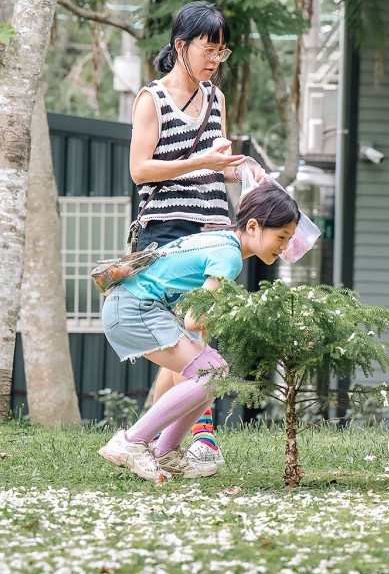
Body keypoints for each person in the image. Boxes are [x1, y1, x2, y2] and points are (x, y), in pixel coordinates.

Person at [98, 182, 299, 481]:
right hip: (133, 308)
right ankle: (132, 441)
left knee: (213, 371)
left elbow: (191, 315)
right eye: (281, 237)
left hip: (130, 305)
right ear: (253, 227)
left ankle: (165, 452)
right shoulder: (229, 256)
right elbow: (194, 319)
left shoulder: (220, 240)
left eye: (289, 238)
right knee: (212, 373)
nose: (285, 247)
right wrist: (242, 315)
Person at [130, 0, 251, 465]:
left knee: (199, 340)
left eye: (222, 52)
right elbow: (140, 170)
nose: (215, 60)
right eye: (208, 49)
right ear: (181, 46)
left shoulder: (215, 98)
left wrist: (241, 171)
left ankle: (158, 441)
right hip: (166, 233)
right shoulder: (152, 99)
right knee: (187, 343)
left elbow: (214, 167)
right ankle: (192, 437)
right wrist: (201, 161)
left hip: (213, 228)